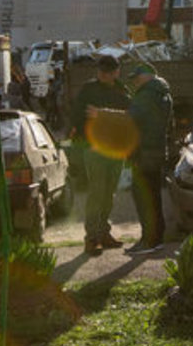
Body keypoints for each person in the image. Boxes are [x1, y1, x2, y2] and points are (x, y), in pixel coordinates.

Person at [71, 55, 130, 255]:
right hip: (96, 150)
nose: (103, 75)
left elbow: (130, 117)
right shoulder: (89, 90)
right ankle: (91, 238)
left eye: (107, 72)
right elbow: (77, 117)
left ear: (116, 72)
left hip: (115, 149)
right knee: (96, 194)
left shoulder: (121, 90)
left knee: (109, 194)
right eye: (101, 71)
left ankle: (103, 233)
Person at [125, 63, 172, 254]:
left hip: (143, 152)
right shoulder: (163, 93)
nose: (135, 82)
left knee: (144, 198)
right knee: (154, 197)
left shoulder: (146, 95)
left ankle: (148, 241)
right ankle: (157, 238)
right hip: (157, 150)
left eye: (137, 77)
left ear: (147, 76)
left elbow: (131, 119)